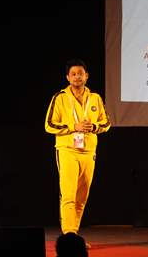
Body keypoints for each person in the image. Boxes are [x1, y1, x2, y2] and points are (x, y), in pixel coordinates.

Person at [45, 58, 111, 239]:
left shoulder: (95, 98)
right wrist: (74, 127)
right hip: (67, 150)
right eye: (73, 74)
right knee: (68, 195)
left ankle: (73, 236)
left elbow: (106, 123)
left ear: (86, 76)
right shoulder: (59, 98)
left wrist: (94, 127)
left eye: (80, 74)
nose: (77, 77)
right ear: (67, 77)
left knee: (82, 198)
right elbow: (49, 125)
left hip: (89, 152)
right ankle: (69, 237)